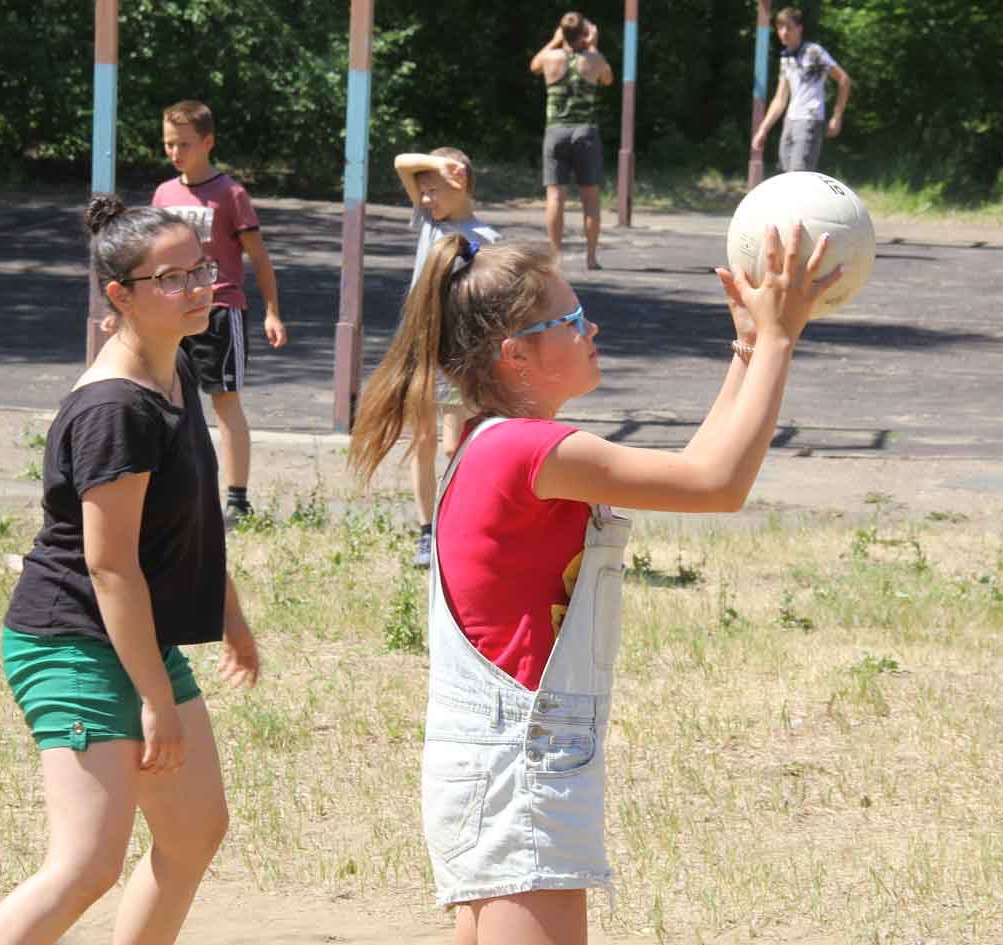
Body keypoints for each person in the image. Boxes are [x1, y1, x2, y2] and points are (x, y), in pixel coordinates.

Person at [347, 225, 835, 943]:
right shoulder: (528, 448)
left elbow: (701, 464)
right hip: (516, 759)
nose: (591, 327)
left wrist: (749, 349)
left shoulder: (496, 438)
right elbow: (717, 483)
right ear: (516, 356)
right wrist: (781, 341)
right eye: (571, 321)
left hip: (497, 755)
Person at [0, 198, 261, 945]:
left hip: (132, 635)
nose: (196, 286)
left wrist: (230, 617)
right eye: (170, 277)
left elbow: (187, 521)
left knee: (195, 830)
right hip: (72, 641)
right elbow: (109, 565)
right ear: (119, 296)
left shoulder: (174, 374)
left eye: (199, 267)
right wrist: (157, 700)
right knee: (85, 862)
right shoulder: (114, 407)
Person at [154, 99, 288, 528]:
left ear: (208, 143)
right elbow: (150, 258)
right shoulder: (163, 194)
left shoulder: (230, 194)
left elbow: (259, 258)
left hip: (219, 310)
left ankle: (237, 499)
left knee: (224, 400)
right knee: (168, 401)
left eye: (184, 144)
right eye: (169, 144)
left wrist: (272, 311)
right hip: (172, 312)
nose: (175, 152)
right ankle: (178, 490)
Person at [393, 147, 502, 567]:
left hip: (459, 354)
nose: (425, 199)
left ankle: (459, 525)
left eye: (433, 190)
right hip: (420, 348)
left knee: (456, 444)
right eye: (422, 192)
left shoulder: (485, 238)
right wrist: (437, 169)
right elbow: (402, 163)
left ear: (461, 183)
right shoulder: (427, 222)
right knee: (421, 439)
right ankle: (426, 531)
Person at [530, 11, 614, 270]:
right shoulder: (594, 59)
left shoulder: (550, 58)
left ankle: (555, 255)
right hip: (584, 132)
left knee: (555, 196)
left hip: (556, 130)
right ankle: (591, 257)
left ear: (561, 32)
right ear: (584, 34)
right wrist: (593, 46)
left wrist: (555, 41)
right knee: (590, 196)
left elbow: (533, 65)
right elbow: (607, 79)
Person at [750, 6, 851, 174]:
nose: (783, 32)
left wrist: (837, 116)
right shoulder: (786, 58)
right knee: (785, 175)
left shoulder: (814, 52)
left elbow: (844, 80)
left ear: (799, 28)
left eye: (788, 27)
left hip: (809, 120)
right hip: (790, 120)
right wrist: (763, 130)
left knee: (799, 176)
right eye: (780, 27)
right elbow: (780, 99)